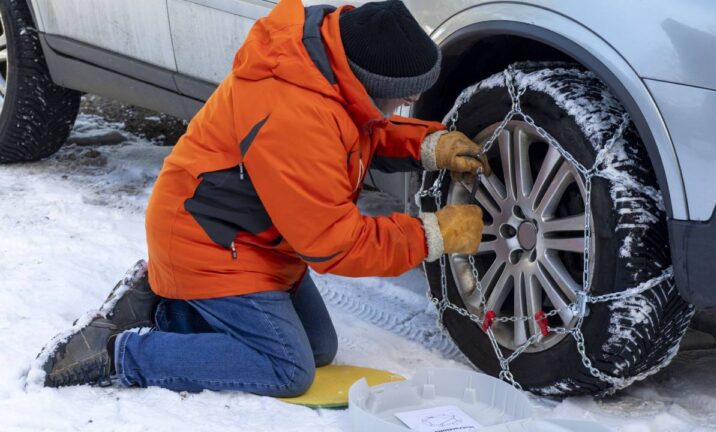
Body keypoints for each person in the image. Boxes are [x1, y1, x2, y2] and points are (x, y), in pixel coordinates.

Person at [42, 0, 490, 396]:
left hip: (257, 239)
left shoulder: (327, 66)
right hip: (209, 243)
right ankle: (120, 351)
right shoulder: (295, 115)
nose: (410, 102)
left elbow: (359, 129)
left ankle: (164, 307)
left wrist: (428, 145)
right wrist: (435, 234)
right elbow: (335, 244)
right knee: (287, 368)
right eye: (404, 96)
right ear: (367, 82)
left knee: (318, 348)